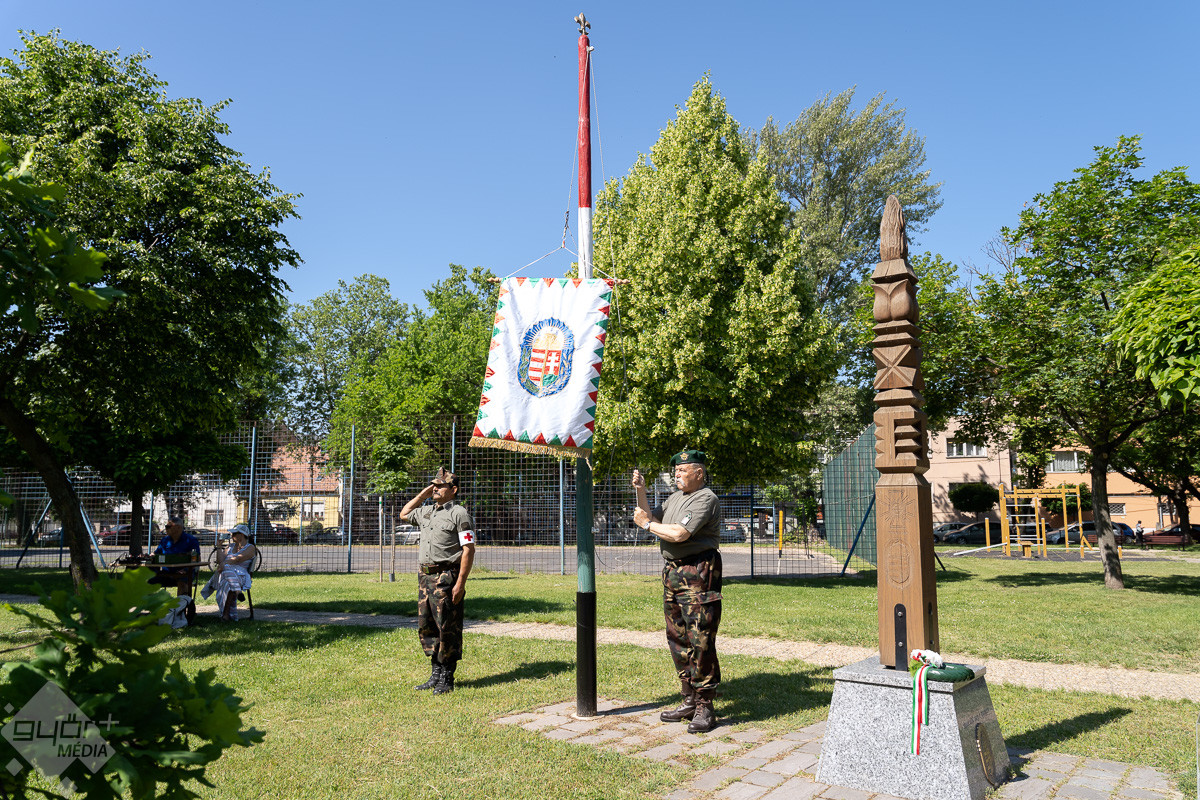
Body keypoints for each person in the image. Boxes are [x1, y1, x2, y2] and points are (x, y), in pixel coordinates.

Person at [632, 449, 723, 733]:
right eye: (676, 471)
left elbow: (679, 534)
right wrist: (641, 490)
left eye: (683, 471)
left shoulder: (705, 498)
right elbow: (649, 515)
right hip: (673, 573)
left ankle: (705, 706)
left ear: (699, 473)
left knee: (700, 637)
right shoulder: (675, 498)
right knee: (677, 636)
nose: (677, 475)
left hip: (698, 572)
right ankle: (689, 699)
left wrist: (648, 525)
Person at [400, 467, 476, 695]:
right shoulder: (427, 511)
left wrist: (460, 583)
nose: (435, 489)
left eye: (441, 486)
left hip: (446, 577)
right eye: (434, 485)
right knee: (428, 626)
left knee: (447, 627)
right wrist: (423, 494)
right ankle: (435, 673)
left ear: (454, 490)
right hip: (425, 577)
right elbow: (404, 514)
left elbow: (468, 549)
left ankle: (447, 677)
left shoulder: (459, 513)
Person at [204, 524, 257, 621]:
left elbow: (237, 559)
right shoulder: (230, 546)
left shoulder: (250, 547)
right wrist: (219, 546)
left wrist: (224, 564)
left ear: (241, 535)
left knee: (226, 576)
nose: (232, 535)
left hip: (241, 576)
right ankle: (237, 592)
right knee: (227, 580)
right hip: (228, 576)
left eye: (234, 533)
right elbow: (220, 561)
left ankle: (225, 614)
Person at [148, 516, 201, 594]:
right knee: (147, 580)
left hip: (185, 573)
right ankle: (149, 602)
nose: (166, 528)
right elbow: (156, 554)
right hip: (166, 573)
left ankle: (182, 602)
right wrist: (149, 556)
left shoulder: (191, 540)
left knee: (182, 582)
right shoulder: (165, 540)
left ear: (178, 527)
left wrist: (186, 569)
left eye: (168, 526)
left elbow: (197, 559)